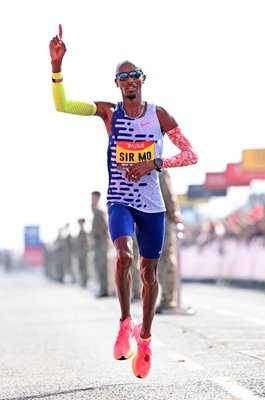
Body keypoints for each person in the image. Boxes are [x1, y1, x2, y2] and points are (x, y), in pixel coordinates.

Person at [49, 24, 198, 379]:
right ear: (117, 84)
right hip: (119, 201)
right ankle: (123, 322)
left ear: (143, 80)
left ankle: (144, 339)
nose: (129, 80)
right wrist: (56, 68)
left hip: (153, 206)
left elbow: (191, 154)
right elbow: (63, 105)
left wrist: (155, 162)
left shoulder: (160, 116)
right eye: (122, 77)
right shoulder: (108, 113)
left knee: (149, 273)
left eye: (134, 75)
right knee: (124, 256)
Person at [156, 169, 181, 313]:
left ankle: (168, 298)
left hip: (157, 218)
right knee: (165, 259)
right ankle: (167, 298)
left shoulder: (149, 168)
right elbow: (168, 194)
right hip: (161, 218)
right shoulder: (159, 170)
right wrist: (174, 213)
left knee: (164, 260)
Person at [91, 191, 110, 298]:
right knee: (99, 266)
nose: (92, 200)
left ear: (97, 198)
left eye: (93, 198)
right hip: (98, 243)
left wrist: (102, 240)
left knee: (103, 266)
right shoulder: (96, 211)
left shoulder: (100, 212)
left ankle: (105, 289)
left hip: (102, 243)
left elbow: (104, 229)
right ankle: (102, 288)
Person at [76, 218, 90, 288]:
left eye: (81, 224)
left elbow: (87, 244)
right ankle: (83, 281)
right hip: (80, 254)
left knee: (85, 268)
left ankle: (86, 281)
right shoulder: (79, 233)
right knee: (81, 267)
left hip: (84, 254)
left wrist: (86, 251)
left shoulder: (84, 233)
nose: (80, 225)